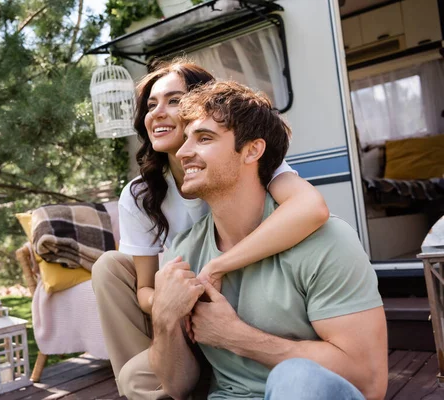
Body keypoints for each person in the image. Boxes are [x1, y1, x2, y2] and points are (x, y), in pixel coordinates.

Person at [92, 60, 329, 397]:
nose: (158, 112)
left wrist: (217, 267)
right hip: (184, 306)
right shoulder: (141, 193)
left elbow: (312, 208)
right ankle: (161, 383)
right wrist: (176, 303)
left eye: (173, 101)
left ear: (199, 107)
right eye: (151, 104)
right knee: (109, 269)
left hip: (243, 296)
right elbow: (144, 289)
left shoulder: (246, 158)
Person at [144, 81, 388, 400]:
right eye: (186, 139)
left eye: (204, 138)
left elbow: (368, 382)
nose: (184, 152)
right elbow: (177, 387)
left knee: (297, 379)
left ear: (252, 151)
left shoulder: (327, 241)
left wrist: (237, 337)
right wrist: (163, 318)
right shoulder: (184, 252)